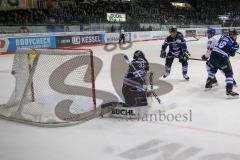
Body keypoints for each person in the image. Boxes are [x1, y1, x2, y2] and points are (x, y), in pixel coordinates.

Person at [206, 29, 239, 97]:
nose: (236, 37)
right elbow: (232, 54)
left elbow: (217, 44)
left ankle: (209, 81)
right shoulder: (235, 44)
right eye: (235, 35)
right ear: (232, 35)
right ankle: (229, 90)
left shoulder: (223, 37)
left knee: (214, 68)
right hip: (223, 58)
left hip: (213, 54)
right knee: (229, 72)